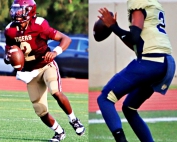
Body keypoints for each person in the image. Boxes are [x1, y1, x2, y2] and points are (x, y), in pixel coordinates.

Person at [4, 0, 85, 141]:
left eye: (20, 10)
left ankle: (73, 119)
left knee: (55, 91)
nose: (16, 13)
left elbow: (65, 39)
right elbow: (8, 52)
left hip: (46, 65)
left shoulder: (40, 25)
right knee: (40, 110)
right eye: (15, 9)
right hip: (30, 73)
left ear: (30, 11)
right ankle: (59, 132)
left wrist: (55, 52)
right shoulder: (10, 30)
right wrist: (10, 57)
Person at [96, 0, 176, 142]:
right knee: (129, 108)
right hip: (166, 62)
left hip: (151, 61)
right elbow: (136, 43)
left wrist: (113, 26)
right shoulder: (153, 4)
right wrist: (115, 28)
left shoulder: (137, 3)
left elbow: (133, 37)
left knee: (105, 98)